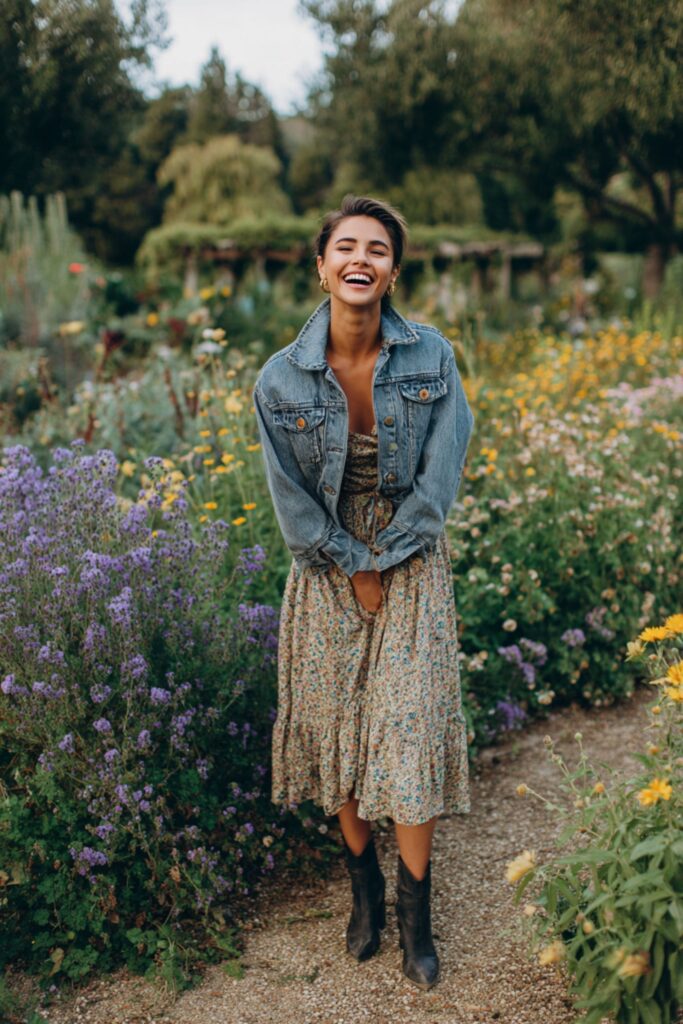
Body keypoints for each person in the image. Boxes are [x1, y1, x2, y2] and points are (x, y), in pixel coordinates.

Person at [252, 195, 475, 991]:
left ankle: (418, 915)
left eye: (376, 249)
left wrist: (388, 555)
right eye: (345, 246)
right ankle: (365, 892)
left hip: (410, 556)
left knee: (408, 722)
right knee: (339, 730)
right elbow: (291, 501)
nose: (360, 259)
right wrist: (350, 561)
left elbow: (440, 476)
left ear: (391, 270)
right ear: (321, 265)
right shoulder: (279, 378)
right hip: (324, 565)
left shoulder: (431, 358)